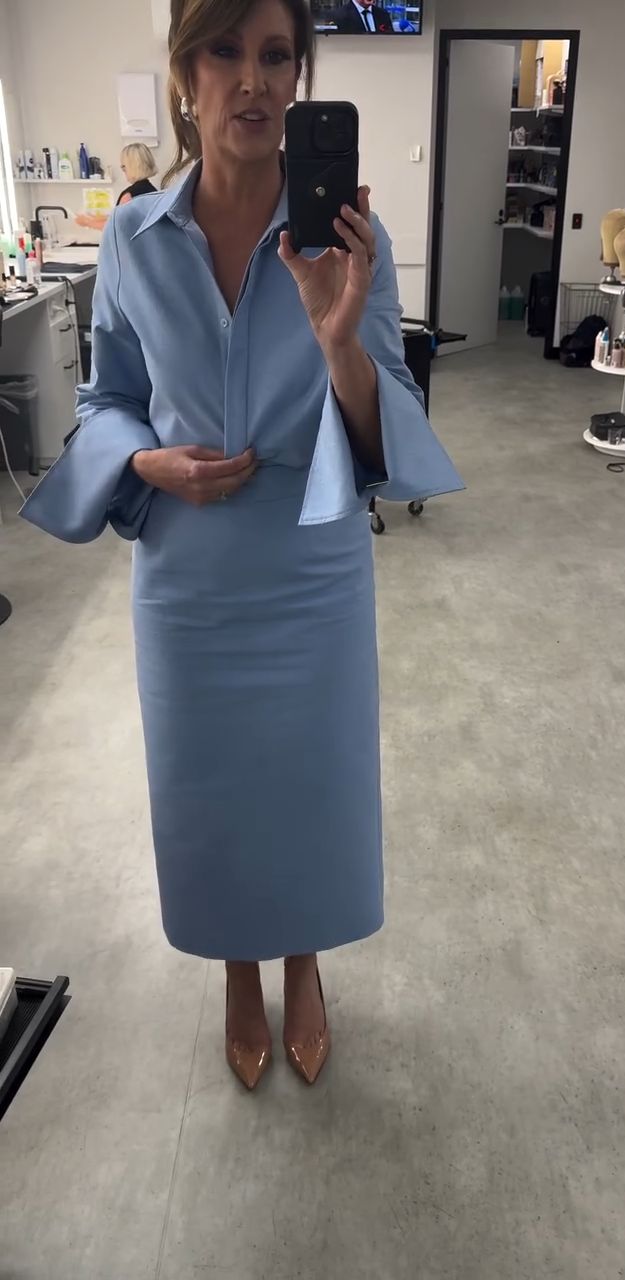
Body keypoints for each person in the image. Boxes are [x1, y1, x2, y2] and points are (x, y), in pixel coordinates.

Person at [21, 0, 462, 1090]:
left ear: (300, 75)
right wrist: (143, 460)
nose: (252, 80)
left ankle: (302, 960)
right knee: (209, 786)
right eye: (225, 52)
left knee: (308, 781)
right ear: (185, 76)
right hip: (189, 579)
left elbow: (387, 428)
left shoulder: (349, 240)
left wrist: (339, 336)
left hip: (312, 570)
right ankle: (236, 962)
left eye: (275, 55)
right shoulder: (132, 238)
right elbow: (108, 399)